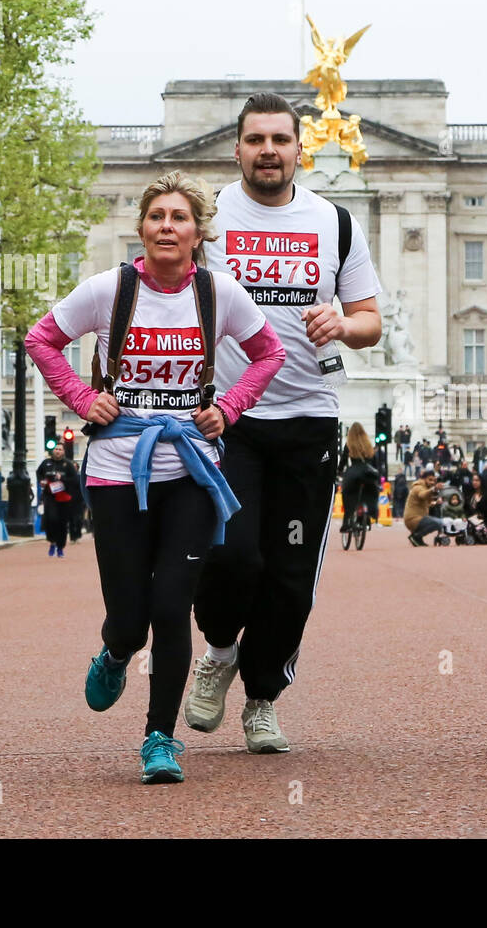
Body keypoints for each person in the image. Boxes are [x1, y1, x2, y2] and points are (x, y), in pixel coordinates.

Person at [25, 169, 285, 783]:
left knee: (172, 607)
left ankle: (159, 740)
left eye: (180, 218)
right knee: (130, 616)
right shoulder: (106, 291)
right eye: (157, 217)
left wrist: (228, 407)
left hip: (190, 471)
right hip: (117, 471)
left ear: (199, 232)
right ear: (142, 227)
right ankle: (116, 651)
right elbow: (42, 340)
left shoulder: (220, 295)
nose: (167, 227)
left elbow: (269, 353)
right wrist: (82, 398)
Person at [184, 94, 383, 756]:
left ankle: (262, 695)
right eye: (255, 139)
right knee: (230, 555)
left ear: (302, 149)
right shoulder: (205, 218)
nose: (268, 149)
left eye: (280, 139)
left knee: (291, 575)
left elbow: (369, 320)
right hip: (227, 417)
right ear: (236, 149)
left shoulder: (337, 222)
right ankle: (217, 651)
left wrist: (343, 325)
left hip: (308, 421)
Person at [36, 444, 78, 558]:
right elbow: (39, 473)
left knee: (62, 522)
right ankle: (52, 542)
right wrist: (42, 481)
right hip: (49, 496)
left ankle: (60, 547)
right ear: (53, 451)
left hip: (64, 497)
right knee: (51, 519)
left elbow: (74, 480)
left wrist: (62, 478)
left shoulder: (68, 465)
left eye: (60, 449)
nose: (58, 451)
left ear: (63, 452)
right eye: (56, 449)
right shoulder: (46, 463)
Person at [339, 422, 380, 530]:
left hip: (354, 473)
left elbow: (343, 460)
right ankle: (367, 517)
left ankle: (347, 521)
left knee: (347, 494)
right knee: (371, 492)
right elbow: (374, 462)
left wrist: (339, 472)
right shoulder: (368, 444)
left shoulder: (349, 444)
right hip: (367, 474)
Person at [403, 470, 443, 546]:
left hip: (417, 518)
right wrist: (433, 489)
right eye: (430, 480)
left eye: (434, 480)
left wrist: (435, 503)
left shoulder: (425, 487)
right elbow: (422, 495)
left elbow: (426, 503)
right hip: (413, 519)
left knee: (437, 520)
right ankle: (416, 536)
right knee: (439, 523)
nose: (432, 482)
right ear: (424, 479)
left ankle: (418, 539)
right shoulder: (418, 487)